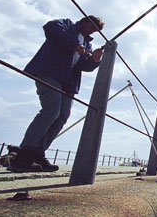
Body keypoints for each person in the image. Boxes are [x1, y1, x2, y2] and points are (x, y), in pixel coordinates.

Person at [9, 16, 105, 172]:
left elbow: (83, 66)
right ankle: (23, 155)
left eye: (96, 30)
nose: (93, 30)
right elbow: (50, 27)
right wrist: (74, 44)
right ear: (84, 20)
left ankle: (37, 153)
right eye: (92, 26)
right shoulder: (67, 25)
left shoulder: (87, 45)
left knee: (62, 116)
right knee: (51, 111)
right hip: (49, 73)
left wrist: (94, 61)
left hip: (68, 82)